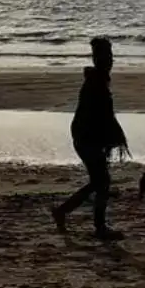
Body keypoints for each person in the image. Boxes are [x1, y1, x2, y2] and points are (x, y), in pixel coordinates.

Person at [53, 36, 127, 242]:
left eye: (111, 55)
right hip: (87, 138)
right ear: (97, 58)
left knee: (99, 181)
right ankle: (97, 225)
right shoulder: (96, 83)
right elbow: (97, 117)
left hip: (87, 137)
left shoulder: (98, 80)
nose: (109, 60)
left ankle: (65, 212)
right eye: (105, 56)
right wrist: (107, 139)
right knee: (101, 181)